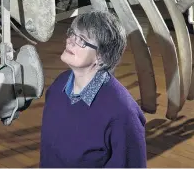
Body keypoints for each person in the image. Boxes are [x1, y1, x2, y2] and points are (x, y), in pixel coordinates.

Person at [40, 10, 147, 168]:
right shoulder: (58, 86)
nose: (70, 41)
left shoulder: (123, 114)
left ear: (101, 56)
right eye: (72, 33)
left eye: (82, 40)